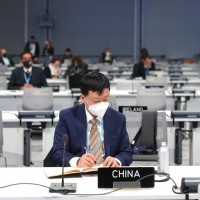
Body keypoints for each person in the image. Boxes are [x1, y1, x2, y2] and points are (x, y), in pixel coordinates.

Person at [52, 72, 132, 167]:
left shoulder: (118, 118)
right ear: (82, 97)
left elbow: (126, 152)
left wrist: (116, 161)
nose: (102, 104)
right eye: (96, 101)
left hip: (107, 175)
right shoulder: (67, 117)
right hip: (78, 173)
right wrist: (77, 161)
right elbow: (58, 151)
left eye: (105, 99)